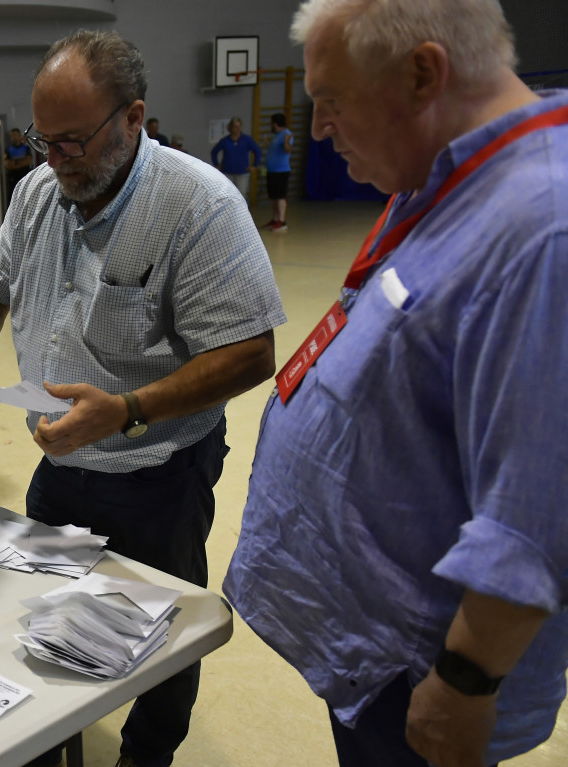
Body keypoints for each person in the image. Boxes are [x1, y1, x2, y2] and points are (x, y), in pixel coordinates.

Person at [224, 2, 568, 766]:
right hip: (375, 657)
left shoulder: (543, 230)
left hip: (426, 677)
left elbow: (539, 509)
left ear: (423, 74)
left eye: (333, 102)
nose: (319, 128)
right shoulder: (445, 182)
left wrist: (463, 682)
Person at [0, 30, 285, 767]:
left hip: (160, 473)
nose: (55, 159)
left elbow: (250, 352)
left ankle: (145, 756)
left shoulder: (197, 206)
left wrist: (128, 409)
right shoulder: (39, 192)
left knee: (161, 640)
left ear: (133, 118)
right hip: (62, 461)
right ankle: (46, 740)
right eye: (43, 140)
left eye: (73, 141)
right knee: (40, 622)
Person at [211, 116, 261, 200]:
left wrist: (254, 165)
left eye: (239, 126)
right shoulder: (225, 140)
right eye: (235, 127)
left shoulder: (246, 140)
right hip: (227, 172)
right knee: (227, 195)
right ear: (231, 127)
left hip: (242, 172)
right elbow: (214, 152)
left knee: (241, 195)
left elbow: (257, 151)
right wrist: (217, 164)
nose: (237, 129)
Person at [263, 112, 294, 231]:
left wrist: (286, 141)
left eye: (271, 123)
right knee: (274, 196)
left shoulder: (287, 134)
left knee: (280, 196)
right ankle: (275, 219)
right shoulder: (278, 134)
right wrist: (267, 144)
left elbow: (288, 150)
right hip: (272, 171)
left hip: (281, 171)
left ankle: (282, 221)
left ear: (275, 124)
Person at [4, 126, 34, 203]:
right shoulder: (8, 150)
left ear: (19, 136)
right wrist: (21, 162)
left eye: (15, 135)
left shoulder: (26, 148)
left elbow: (28, 161)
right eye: (12, 136)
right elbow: (7, 164)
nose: (13, 137)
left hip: (25, 177)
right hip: (13, 179)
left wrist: (15, 162)